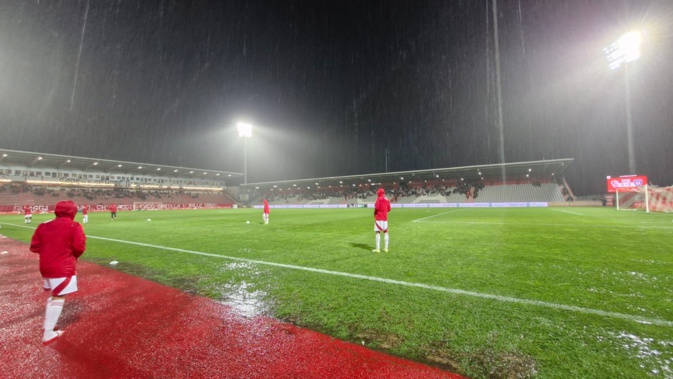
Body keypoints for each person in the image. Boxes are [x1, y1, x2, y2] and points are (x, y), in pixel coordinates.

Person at [29, 200, 86, 344]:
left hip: (45, 266)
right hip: (63, 267)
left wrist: (49, 252)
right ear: (72, 212)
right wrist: (69, 256)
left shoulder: (43, 225)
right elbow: (79, 247)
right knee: (59, 296)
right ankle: (48, 333)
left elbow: (34, 246)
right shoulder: (74, 226)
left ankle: (48, 325)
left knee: (54, 295)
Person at [372, 188, 391, 253]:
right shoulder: (387, 199)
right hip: (385, 218)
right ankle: (386, 248)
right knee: (386, 232)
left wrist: (375, 214)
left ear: (379, 193)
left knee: (377, 232)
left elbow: (376, 207)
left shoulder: (379, 198)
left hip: (379, 218)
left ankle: (378, 249)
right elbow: (389, 209)